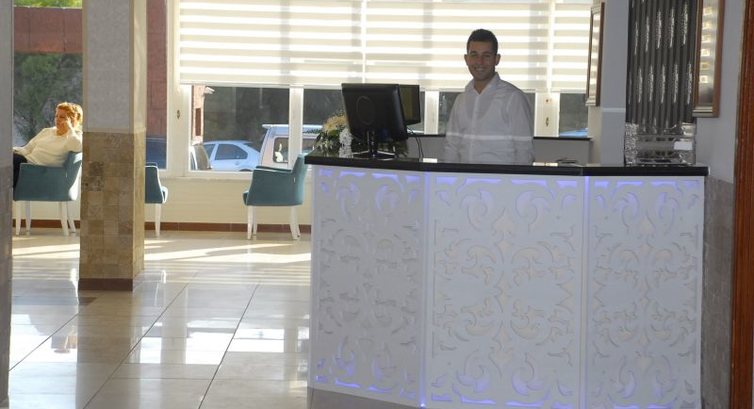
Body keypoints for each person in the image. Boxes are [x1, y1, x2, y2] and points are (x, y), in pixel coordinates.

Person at [443, 29, 534, 165]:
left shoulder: (513, 98)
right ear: (466, 59)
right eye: (474, 55)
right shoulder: (460, 100)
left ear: (497, 59)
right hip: (464, 178)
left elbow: (524, 152)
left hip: (501, 178)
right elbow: (451, 148)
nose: (479, 61)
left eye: (486, 56)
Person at [12, 101, 83, 188]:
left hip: (37, 169)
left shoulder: (75, 136)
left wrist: (69, 129)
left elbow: (77, 147)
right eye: (56, 116)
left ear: (73, 120)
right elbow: (28, 148)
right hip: (25, 162)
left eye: (62, 117)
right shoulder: (47, 131)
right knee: (7, 160)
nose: (57, 119)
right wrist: (12, 151)